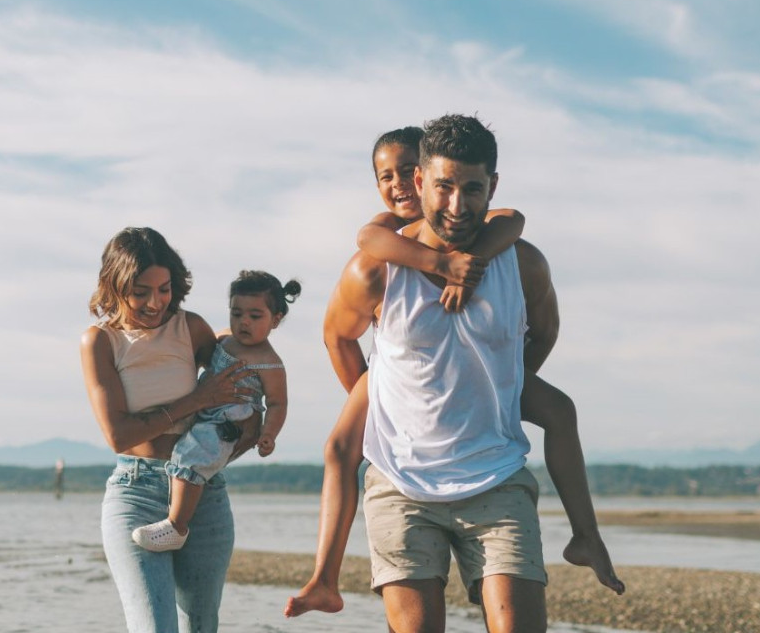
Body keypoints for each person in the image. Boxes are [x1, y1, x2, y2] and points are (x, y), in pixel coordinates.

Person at [296, 115, 613, 632]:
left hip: (497, 480)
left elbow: (546, 329)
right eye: (444, 187)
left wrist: (500, 385)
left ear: (492, 187)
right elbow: (337, 335)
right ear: (420, 183)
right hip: (401, 484)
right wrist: (378, 394)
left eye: (472, 189)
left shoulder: (522, 264)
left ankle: (587, 536)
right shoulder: (373, 270)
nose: (457, 205)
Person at [81, 227, 261, 632]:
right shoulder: (101, 342)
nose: (155, 302)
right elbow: (119, 435)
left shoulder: (191, 328)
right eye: (141, 291)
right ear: (115, 285)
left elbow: (245, 392)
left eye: (164, 289)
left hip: (204, 496)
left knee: (201, 626)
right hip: (135, 493)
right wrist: (196, 401)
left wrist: (217, 455)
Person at [133, 270, 300, 552]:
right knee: (181, 452)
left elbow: (277, 403)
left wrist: (269, 433)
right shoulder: (223, 340)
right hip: (202, 409)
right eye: (237, 314)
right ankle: (174, 511)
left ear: (276, 319)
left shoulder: (270, 363)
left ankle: (177, 526)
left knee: (192, 458)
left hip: (227, 423)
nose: (243, 322)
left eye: (255, 316)